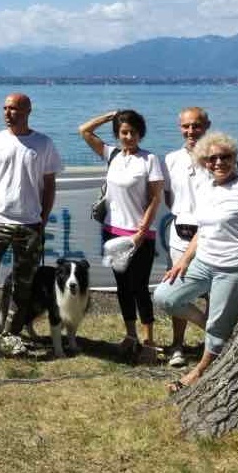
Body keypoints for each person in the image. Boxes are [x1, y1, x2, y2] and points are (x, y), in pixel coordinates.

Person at [154, 133, 238, 392]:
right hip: (203, 262)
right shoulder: (205, 187)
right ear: (204, 162)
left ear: (235, 158)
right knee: (165, 297)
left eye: (225, 157)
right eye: (212, 158)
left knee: (218, 326)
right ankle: (215, 331)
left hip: (234, 268)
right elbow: (203, 230)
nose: (219, 162)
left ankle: (199, 372)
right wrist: (184, 260)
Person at [0, 93, 62, 361]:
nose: (8, 113)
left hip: (29, 224)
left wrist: (43, 216)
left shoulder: (43, 144)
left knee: (22, 284)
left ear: (28, 110)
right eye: (5, 108)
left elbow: (49, 184)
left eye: (14, 108)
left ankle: (11, 333)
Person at [79, 110, 164, 361]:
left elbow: (155, 198)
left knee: (139, 288)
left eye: (133, 132)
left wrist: (141, 232)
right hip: (111, 232)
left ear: (141, 134)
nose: (129, 137)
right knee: (123, 288)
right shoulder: (112, 155)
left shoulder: (149, 160)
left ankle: (148, 340)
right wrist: (109, 116)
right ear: (117, 134)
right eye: (124, 132)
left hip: (139, 236)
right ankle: (130, 336)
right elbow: (84, 130)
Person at [161, 107, 213, 367]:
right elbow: (169, 197)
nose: (191, 131)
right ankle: (178, 345)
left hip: (212, 235)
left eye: (196, 125)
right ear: (180, 127)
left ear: (207, 126)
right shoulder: (170, 159)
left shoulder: (217, 157)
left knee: (213, 294)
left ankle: (212, 345)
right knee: (178, 290)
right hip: (180, 235)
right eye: (186, 126)